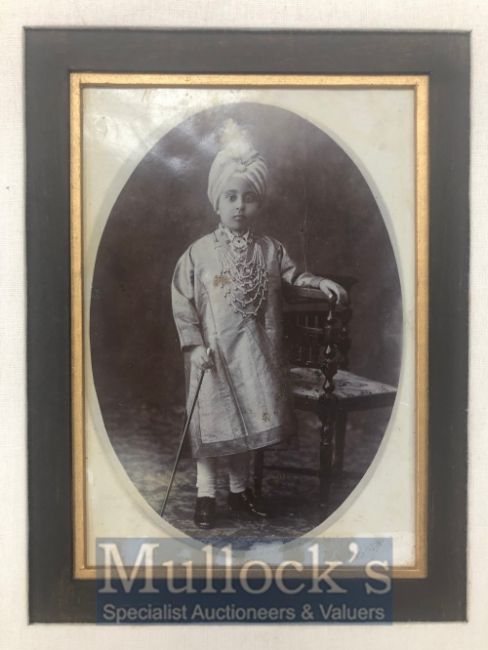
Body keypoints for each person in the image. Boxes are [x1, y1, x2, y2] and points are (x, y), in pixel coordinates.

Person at [171, 119, 347, 529]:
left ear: (259, 204)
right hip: (213, 356)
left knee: (246, 424)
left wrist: (319, 283)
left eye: (248, 198)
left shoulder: (270, 250)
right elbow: (182, 301)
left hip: (255, 356)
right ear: (216, 202)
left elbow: (294, 278)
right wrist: (193, 346)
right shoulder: (198, 253)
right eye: (230, 197)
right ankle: (205, 494)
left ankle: (239, 492)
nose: (239, 206)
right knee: (214, 426)